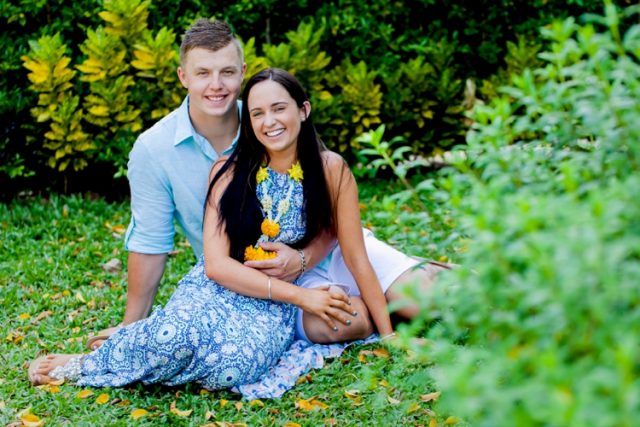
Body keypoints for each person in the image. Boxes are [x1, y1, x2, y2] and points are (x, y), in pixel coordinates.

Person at [83, 18, 445, 350]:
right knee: (347, 320)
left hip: (330, 248)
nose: (216, 85)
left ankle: (411, 279)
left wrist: (302, 259)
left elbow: (328, 202)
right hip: (259, 276)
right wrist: (132, 328)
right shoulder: (154, 149)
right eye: (203, 73)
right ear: (183, 76)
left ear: (242, 73)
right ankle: (384, 296)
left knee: (425, 300)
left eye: (226, 72)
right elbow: (150, 244)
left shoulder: (269, 111)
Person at [27, 67, 396, 388]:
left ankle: (140, 347)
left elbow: (355, 255)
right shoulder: (229, 170)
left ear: (303, 110)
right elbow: (217, 266)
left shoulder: (332, 169)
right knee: (177, 336)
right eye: (257, 113)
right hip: (219, 288)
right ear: (248, 122)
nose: (270, 121)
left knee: (236, 366)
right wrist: (305, 298)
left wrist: (389, 335)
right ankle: (87, 361)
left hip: (276, 303)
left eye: (279, 108)